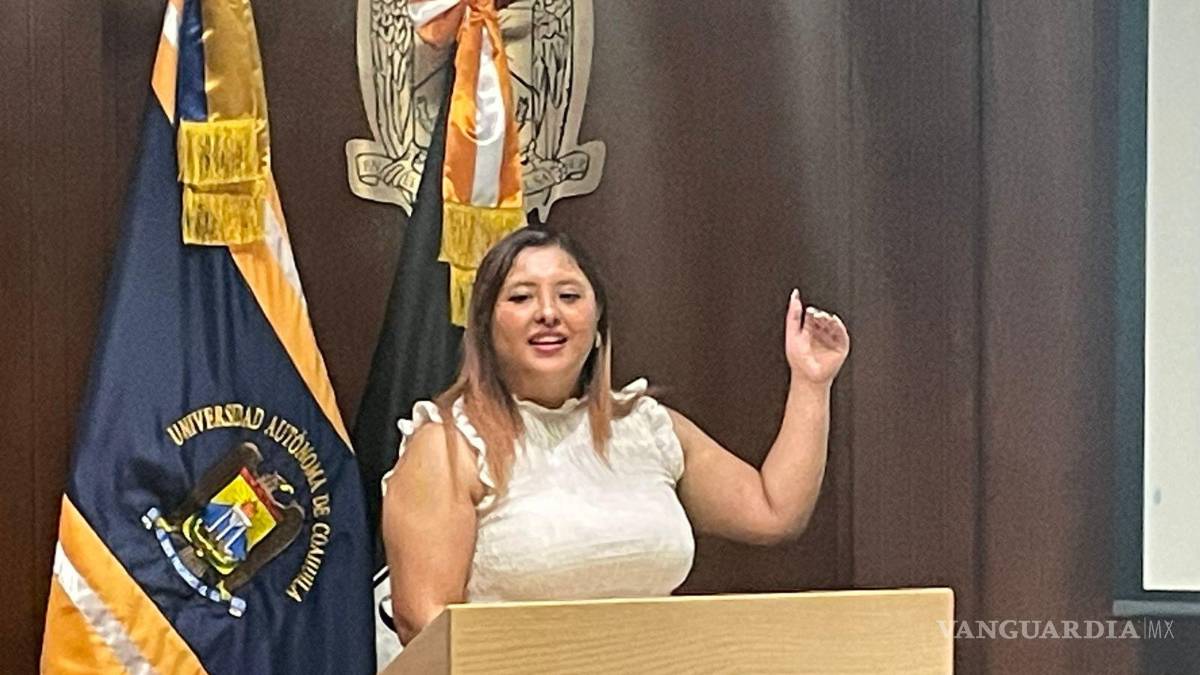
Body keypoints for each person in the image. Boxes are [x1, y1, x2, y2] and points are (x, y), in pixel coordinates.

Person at [380, 227, 850, 643]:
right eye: (521, 298)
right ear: (485, 325)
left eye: (569, 296)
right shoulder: (448, 445)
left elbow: (773, 510)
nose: (548, 313)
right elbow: (424, 624)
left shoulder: (647, 428)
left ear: (598, 320)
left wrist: (811, 382)